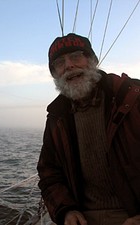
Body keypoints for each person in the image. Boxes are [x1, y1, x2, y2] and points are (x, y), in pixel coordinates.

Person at [37, 33, 140, 225]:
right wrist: (66, 210)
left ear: (92, 61)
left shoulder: (132, 98)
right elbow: (49, 172)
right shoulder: (56, 116)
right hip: (82, 217)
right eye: (59, 63)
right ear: (54, 75)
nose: (69, 66)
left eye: (76, 57)